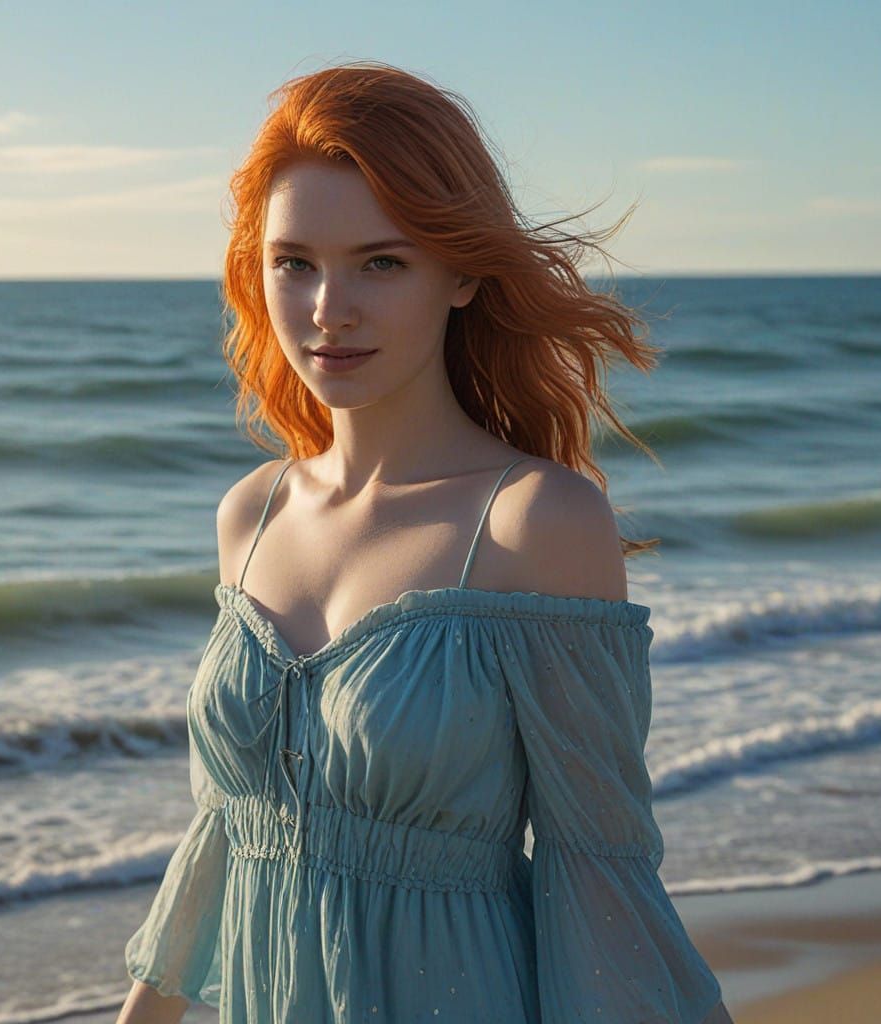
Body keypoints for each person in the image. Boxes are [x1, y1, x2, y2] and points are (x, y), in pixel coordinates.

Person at [117, 60, 733, 1023]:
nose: (329, 308)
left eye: (382, 261)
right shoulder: (252, 514)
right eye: (295, 262)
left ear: (463, 272)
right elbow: (225, 838)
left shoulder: (538, 523)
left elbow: (598, 873)